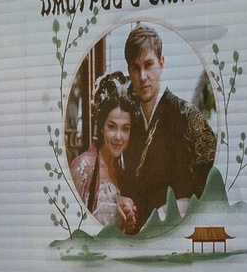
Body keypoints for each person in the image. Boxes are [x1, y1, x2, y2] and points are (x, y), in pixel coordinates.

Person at [118, 23, 219, 216]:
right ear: (129, 71)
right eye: (135, 68)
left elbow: (213, 186)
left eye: (148, 65)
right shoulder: (128, 121)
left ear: (161, 63)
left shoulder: (188, 117)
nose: (143, 77)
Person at [69, 98, 142, 232]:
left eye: (125, 129)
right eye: (112, 127)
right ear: (101, 127)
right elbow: (69, 223)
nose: (118, 137)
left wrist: (128, 220)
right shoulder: (84, 165)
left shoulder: (123, 171)